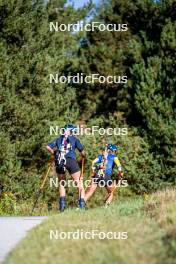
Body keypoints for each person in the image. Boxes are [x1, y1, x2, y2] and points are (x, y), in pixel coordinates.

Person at [46, 124, 86, 212]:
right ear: (71, 131)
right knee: (79, 183)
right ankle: (82, 205)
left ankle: (62, 207)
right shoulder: (75, 139)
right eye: (74, 131)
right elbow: (82, 151)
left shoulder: (58, 139)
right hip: (70, 161)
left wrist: (53, 153)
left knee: (62, 183)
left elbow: (48, 147)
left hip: (59, 161)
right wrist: (83, 155)